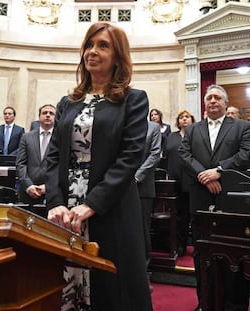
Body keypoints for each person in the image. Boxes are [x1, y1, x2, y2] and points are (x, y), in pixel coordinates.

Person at [45, 22, 153, 311]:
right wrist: (55, 202)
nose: (92, 52)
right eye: (89, 45)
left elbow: (130, 157)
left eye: (103, 46)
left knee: (112, 289)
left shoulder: (133, 99)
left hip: (110, 204)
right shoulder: (68, 103)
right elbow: (53, 156)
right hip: (66, 209)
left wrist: (91, 204)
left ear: (118, 56)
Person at [179, 84, 250, 311]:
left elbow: (247, 153)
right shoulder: (193, 129)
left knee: (235, 254)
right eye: (208, 97)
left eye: (217, 98)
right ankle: (206, 302)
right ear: (204, 103)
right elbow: (184, 154)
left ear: (225, 102)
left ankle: (235, 306)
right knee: (202, 253)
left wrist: (219, 171)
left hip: (230, 197)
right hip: (200, 197)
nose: (212, 101)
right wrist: (205, 176)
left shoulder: (241, 126)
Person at [164, 109, 195, 257]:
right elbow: (166, 156)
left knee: (194, 215)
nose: (184, 119)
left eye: (187, 117)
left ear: (192, 120)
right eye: (181, 117)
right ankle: (180, 245)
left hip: (193, 182)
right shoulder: (171, 137)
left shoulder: (197, 135)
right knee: (179, 216)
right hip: (174, 181)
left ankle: (197, 245)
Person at [135, 120, 161, 291]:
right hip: (118, 186)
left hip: (141, 186)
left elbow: (155, 155)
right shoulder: (123, 123)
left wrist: (136, 176)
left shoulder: (153, 128)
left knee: (142, 230)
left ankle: (143, 275)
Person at [16, 104, 56, 205]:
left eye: (51, 113)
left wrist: (48, 186)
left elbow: (62, 166)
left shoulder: (60, 139)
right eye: (44, 113)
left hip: (52, 193)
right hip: (28, 192)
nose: (47, 115)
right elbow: (21, 164)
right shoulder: (26, 137)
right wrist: (28, 186)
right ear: (39, 117)